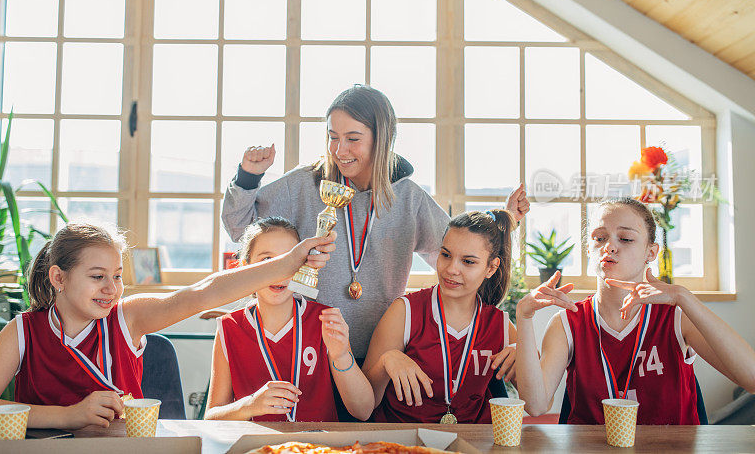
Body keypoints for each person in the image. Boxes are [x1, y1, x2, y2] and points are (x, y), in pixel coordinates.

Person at [222, 85, 529, 361]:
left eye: (353, 139)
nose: (340, 150)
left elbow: (459, 249)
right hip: (309, 349)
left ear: (381, 139)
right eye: (333, 137)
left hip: (380, 354)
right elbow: (240, 228)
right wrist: (248, 177)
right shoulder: (303, 184)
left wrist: (505, 219)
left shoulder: (409, 197)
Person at [0, 221, 335, 431]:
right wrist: (70, 414)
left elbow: (201, 294)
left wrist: (287, 262)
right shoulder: (22, 331)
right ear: (58, 277)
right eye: (98, 276)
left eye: (118, 276)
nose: (111, 288)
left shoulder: (127, 316)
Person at [515, 197, 755, 424]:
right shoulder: (568, 320)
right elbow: (535, 406)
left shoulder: (676, 316)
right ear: (589, 249)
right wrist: (524, 317)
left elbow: (751, 379)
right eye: (599, 238)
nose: (610, 247)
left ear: (650, 253)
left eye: (626, 239)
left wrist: (684, 296)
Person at [205, 217, 373, 422]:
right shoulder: (229, 327)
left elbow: (363, 411)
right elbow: (211, 418)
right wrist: (248, 405)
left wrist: (341, 356)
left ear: (302, 264)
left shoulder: (325, 320)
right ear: (244, 267)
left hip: (318, 446)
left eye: (288, 259)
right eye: (267, 260)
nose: (280, 270)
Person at [363, 210, 518, 423]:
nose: (451, 269)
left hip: (471, 444)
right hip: (404, 442)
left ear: (491, 268)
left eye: (468, 261)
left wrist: (524, 352)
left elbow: (540, 405)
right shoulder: (404, 311)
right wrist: (384, 363)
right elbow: (363, 405)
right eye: (445, 255)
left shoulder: (500, 324)